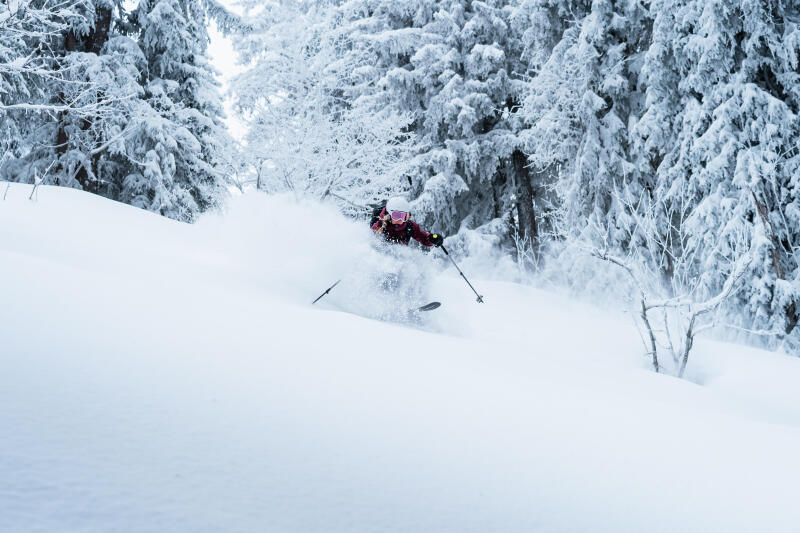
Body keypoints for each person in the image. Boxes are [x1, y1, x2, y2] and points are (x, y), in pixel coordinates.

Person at [371, 196, 444, 248]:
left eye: (403, 216)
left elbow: (422, 237)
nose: (400, 220)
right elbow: (371, 238)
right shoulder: (380, 224)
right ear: (389, 215)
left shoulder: (409, 226)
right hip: (380, 257)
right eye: (396, 216)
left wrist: (432, 239)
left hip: (398, 260)